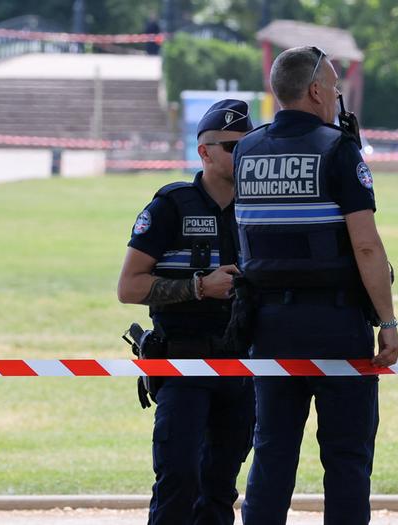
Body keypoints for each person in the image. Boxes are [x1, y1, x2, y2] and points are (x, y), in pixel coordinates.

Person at [233, 46, 398, 525]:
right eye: (332, 87)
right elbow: (366, 246)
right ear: (314, 92)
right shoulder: (337, 148)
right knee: (346, 455)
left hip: (266, 323)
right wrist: (387, 321)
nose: (336, 96)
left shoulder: (247, 149)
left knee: (272, 449)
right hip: (335, 321)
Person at [117, 99, 256, 525]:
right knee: (178, 480)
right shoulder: (172, 205)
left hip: (245, 365)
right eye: (232, 146)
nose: (243, 153)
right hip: (184, 362)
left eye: (249, 144)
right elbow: (129, 287)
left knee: (219, 487)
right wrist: (199, 287)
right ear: (205, 151)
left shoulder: (262, 205)